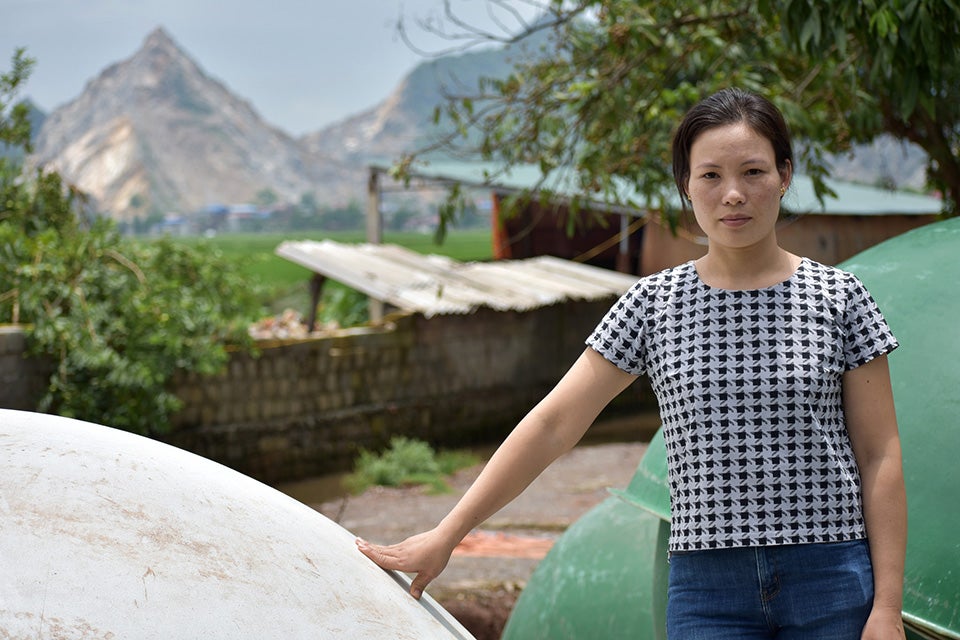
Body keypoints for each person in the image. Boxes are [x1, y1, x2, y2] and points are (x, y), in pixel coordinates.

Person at [357, 88, 907, 639]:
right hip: (708, 589)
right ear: (685, 187)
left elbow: (879, 454)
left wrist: (886, 606)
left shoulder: (839, 297)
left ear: (784, 175)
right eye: (711, 175)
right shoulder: (653, 304)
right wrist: (447, 533)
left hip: (831, 578)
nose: (733, 194)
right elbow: (553, 425)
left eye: (754, 172)